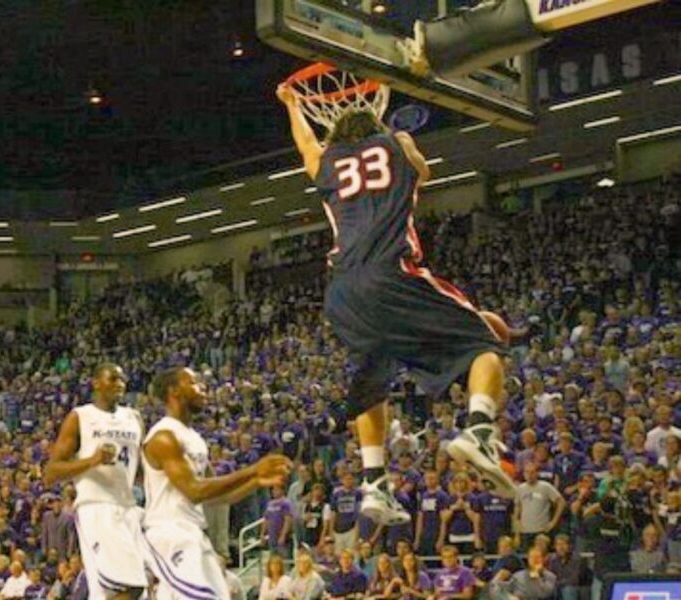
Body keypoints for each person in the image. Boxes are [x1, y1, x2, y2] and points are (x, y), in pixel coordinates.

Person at [276, 80, 518, 527]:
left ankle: (374, 484)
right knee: (485, 342)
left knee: (373, 378)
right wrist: (402, 141)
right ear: (377, 120)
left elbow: (306, 143)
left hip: (343, 289)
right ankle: (481, 429)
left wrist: (293, 105)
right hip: (393, 271)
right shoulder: (398, 142)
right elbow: (422, 174)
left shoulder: (326, 160)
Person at [142, 367, 292, 600]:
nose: (202, 388)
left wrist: (256, 481)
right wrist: (252, 469)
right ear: (174, 391)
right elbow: (194, 490)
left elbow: (216, 495)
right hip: (170, 532)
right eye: (193, 383)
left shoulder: (194, 438)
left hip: (192, 531)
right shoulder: (164, 436)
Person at [44, 364, 147, 600]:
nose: (120, 384)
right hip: (97, 507)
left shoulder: (134, 418)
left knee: (119, 592)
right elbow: (51, 472)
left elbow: (141, 469)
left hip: (128, 508)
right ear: (96, 383)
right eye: (113, 378)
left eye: (123, 379)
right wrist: (93, 460)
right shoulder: (81, 417)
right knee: (130, 587)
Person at [513, 461, 564, 549]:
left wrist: (553, 522)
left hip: (541, 530)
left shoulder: (545, 487)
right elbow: (517, 508)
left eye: (532, 472)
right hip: (525, 531)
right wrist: (517, 531)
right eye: (527, 472)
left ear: (537, 473)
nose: (529, 475)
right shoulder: (520, 489)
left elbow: (561, 502)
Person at [488, 546, 557, 600]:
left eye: (537, 557)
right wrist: (497, 578)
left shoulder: (550, 576)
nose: (534, 560)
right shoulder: (518, 575)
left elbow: (543, 594)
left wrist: (536, 575)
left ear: (543, 559)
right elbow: (499, 590)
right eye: (532, 557)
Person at [545, 534, 582, 600]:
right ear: (555, 547)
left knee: (568, 590)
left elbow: (574, 579)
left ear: (569, 546)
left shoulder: (575, 559)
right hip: (554, 587)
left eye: (564, 544)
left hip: (569, 587)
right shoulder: (550, 559)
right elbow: (548, 576)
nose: (561, 547)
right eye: (558, 544)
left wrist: (557, 583)